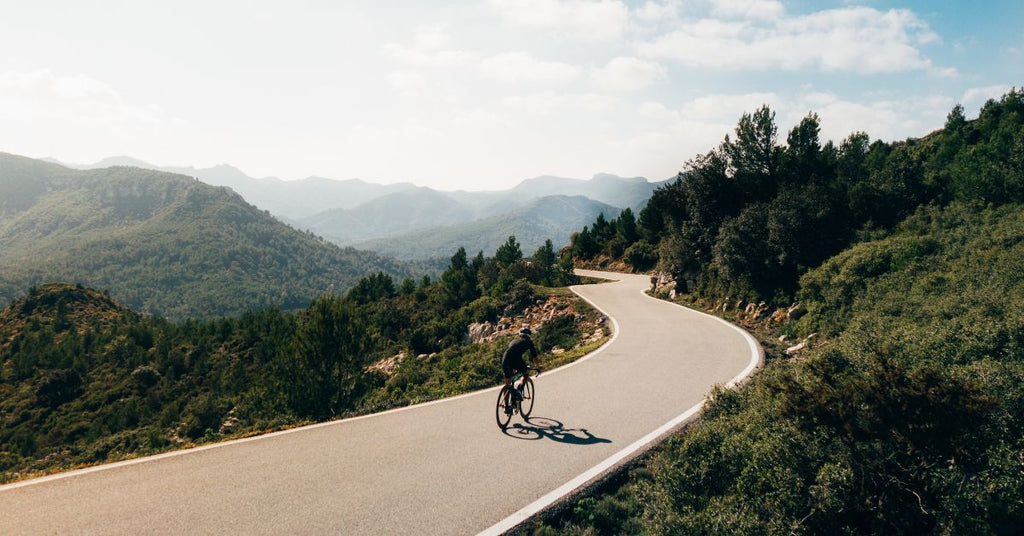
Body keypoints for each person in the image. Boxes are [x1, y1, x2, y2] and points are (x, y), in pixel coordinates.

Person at [502, 326, 540, 413]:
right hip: (515, 359)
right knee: (525, 372)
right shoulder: (529, 342)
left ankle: (507, 407)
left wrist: (514, 368)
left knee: (508, 383)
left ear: (520, 335)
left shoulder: (514, 341)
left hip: (505, 359)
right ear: (529, 336)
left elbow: (512, 352)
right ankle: (519, 390)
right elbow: (534, 357)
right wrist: (537, 367)